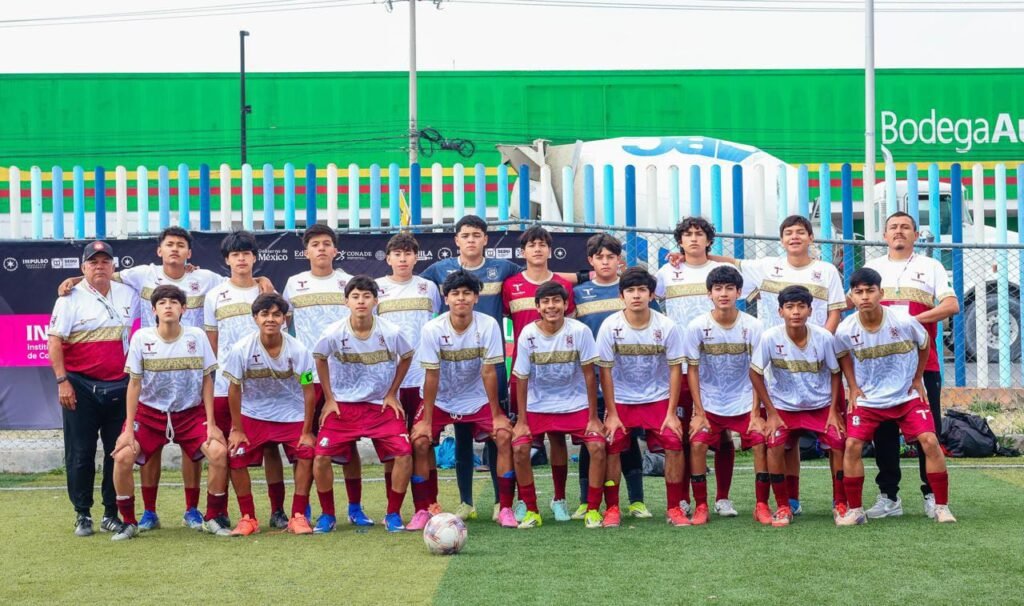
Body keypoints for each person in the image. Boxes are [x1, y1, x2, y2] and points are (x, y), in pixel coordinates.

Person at [57, 226, 270, 531]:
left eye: (180, 245)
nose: (174, 250)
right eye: (169, 245)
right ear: (159, 250)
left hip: (190, 374)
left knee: (195, 451)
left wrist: (262, 280)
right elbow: (103, 274)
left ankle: (194, 510)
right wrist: (76, 279)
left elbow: (239, 280)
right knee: (147, 452)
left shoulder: (205, 279)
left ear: (189, 253)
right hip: (153, 374)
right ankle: (147, 513)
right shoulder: (143, 274)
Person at [716, 214, 845, 515]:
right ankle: (790, 502)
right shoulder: (768, 267)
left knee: (836, 440)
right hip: (782, 369)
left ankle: (841, 501)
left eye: (801, 232)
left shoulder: (826, 271)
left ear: (811, 238)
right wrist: (698, 254)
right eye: (789, 233)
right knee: (784, 442)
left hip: (817, 367)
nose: (795, 237)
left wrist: (820, 340)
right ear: (782, 239)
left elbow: (836, 311)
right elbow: (735, 265)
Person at [419, 215, 522, 521]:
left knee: (498, 434)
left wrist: (584, 276)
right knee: (458, 440)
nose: (471, 240)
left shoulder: (503, 269)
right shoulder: (439, 273)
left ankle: (501, 505)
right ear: (457, 239)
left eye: (477, 235)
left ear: (485, 239)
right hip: (449, 379)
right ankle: (459, 503)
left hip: (485, 372)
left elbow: (533, 277)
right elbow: (413, 283)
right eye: (465, 235)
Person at [835, 267, 956, 526]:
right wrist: (852, 386)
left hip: (906, 397)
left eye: (870, 291)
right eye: (858, 292)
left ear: (881, 293)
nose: (865, 296)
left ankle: (941, 506)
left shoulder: (903, 320)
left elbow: (924, 344)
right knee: (852, 445)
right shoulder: (845, 329)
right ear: (852, 297)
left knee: (930, 440)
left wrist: (917, 378)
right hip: (868, 400)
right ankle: (856, 510)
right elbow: (842, 354)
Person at [109, 284, 228, 540]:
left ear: (183, 309)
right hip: (150, 415)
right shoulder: (141, 338)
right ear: (153, 309)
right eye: (162, 303)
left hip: (190, 414)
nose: (168, 306)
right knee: (122, 457)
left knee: (218, 452)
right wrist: (128, 429)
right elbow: (134, 384)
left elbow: (208, 379)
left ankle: (212, 518)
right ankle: (130, 521)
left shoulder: (196, 336)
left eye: (174, 302)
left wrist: (211, 422)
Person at [863, 211, 960, 519]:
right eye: (893, 227)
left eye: (906, 227)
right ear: (884, 235)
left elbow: (951, 305)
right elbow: (858, 306)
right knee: (884, 432)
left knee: (927, 431)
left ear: (916, 235)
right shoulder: (872, 268)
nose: (899, 231)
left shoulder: (930, 266)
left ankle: (932, 495)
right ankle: (889, 497)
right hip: (880, 367)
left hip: (922, 365)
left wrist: (911, 323)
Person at [409, 270, 516, 528]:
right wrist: (427, 420)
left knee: (503, 436)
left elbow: (489, 371)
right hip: (442, 398)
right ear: (446, 299)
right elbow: (431, 375)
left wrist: (496, 414)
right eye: (455, 293)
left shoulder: (488, 324)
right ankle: (425, 508)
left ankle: (505, 507)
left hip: (476, 397)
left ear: (476, 297)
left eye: (467, 293)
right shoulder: (433, 328)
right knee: (421, 441)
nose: (461, 298)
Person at [48, 240, 141, 537]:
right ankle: (82, 513)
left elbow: (162, 280)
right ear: (83, 267)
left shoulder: (129, 292)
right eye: (93, 262)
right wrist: (63, 382)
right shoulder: (69, 298)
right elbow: (54, 342)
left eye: (105, 261)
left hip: (120, 385)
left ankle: (111, 513)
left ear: (114, 266)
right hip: (81, 386)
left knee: (118, 452)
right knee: (80, 452)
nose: (99, 266)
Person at [312, 276, 416, 533]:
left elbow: (408, 356)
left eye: (366, 296)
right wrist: (329, 398)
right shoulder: (333, 332)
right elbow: (319, 358)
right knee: (321, 456)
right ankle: (330, 514)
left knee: (403, 453)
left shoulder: (391, 332)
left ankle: (392, 514)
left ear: (376, 301)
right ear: (346, 301)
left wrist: (392, 393)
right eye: (355, 296)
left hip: (380, 406)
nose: (361, 301)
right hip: (343, 406)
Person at [282, 224, 369, 526]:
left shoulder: (347, 282)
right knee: (304, 441)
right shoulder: (294, 284)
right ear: (306, 251)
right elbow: (283, 327)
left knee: (348, 443)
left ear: (335, 250)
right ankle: (303, 508)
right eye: (315, 244)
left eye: (326, 243)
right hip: (306, 376)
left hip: (343, 377)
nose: (321, 248)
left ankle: (355, 507)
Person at [654, 217, 740, 518]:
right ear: (679, 241)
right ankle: (684, 499)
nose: (693, 239)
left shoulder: (718, 272)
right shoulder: (667, 272)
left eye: (699, 234)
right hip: (679, 363)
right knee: (685, 432)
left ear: (708, 240)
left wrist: (708, 258)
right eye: (687, 235)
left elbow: (736, 264)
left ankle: (723, 498)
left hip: (716, 364)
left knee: (723, 432)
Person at [203, 230, 287, 528]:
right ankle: (223, 510)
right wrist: (211, 381)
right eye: (235, 254)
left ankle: (278, 511)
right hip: (228, 385)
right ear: (227, 260)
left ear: (255, 257)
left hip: (265, 384)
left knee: (270, 447)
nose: (241, 258)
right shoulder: (214, 295)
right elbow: (212, 344)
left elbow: (282, 338)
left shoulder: (267, 293)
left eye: (246, 253)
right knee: (227, 448)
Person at [596, 267, 690, 528]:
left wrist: (671, 413)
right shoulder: (610, 326)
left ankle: (674, 508)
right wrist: (612, 413)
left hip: (657, 400)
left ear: (651, 295)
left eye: (641, 290)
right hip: (622, 401)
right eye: (630, 290)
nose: (636, 295)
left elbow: (675, 370)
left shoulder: (666, 326)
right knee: (612, 444)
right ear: (621, 296)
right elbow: (605, 370)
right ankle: (612, 507)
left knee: (673, 442)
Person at [511, 281, 607, 529]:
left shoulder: (580, 331)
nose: (551, 306)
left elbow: (589, 374)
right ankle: (532, 509)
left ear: (565, 305)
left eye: (556, 301)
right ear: (538, 307)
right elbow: (520, 379)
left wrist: (594, 417)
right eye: (546, 302)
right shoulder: (527, 334)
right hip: (537, 406)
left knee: (597, 446)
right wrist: (521, 421)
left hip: (574, 404)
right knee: (520, 449)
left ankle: (592, 510)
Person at [749, 285, 847, 527]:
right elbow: (755, 373)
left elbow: (836, 373)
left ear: (810, 311)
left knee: (838, 441)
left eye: (801, 307)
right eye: (790, 307)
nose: (796, 312)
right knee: (775, 444)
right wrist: (770, 412)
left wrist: (834, 411)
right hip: (783, 407)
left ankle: (840, 501)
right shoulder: (770, 337)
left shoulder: (824, 337)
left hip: (820, 405)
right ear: (780, 311)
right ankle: (784, 505)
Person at [224, 293, 317, 536]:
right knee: (234, 454)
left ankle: (297, 516)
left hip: (292, 413)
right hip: (254, 414)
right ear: (255, 318)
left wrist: (307, 431)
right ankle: (248, 518)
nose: (270, 319)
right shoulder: (241, 349)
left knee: (307, 452)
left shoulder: (299, 349)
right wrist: (237, 428)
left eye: (277, 314)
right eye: (265, 314)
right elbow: (234, 390)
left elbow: (309, 391)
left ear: (284, 319)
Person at [571, 234, 650, 520]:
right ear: (590, 261)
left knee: (624, 439)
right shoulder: (579, 294)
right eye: (600, 257)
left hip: (628, 382)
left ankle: (637, 500)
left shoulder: (633, 290)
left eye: (611, 257)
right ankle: (584, 500)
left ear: (620, 260)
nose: (606, 262)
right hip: (590, 380)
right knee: (590, 439)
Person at [683, 265, 769, 526]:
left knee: (759, 441)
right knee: (697, 444)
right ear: (709, 294)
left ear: (739, 292)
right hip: (709, 401)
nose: (724, 294)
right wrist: (698, 411)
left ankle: (761, 505)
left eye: (729, 288)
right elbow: (693, 370)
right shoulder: (697, 326)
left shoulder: (754, 326)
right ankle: (701, 506)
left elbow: (758, 371)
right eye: (718, 289)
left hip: (744, 400)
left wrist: (756, 412)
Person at [502, 225, 576, 522]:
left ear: (549, 250)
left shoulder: (563, 285)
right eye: (531, 245)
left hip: (560, 376)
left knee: (557, 440)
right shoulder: (510, 285)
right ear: (523, 252)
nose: (537, 249)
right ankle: (524, 501)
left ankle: (559, 499)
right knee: (522, 438)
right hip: (524, 375)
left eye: (542, 245)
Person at [375, 232, 442, 514]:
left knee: (423, 444)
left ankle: (428, 503)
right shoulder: (376, 288)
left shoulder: (428, 288)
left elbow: (434, 325)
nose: (403, 259)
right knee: (395, 449)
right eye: (397, 254)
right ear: (388, 258)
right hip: (389, 383)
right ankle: (395, 509)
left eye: (408, 253)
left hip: (422, 378)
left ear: (416, 257)